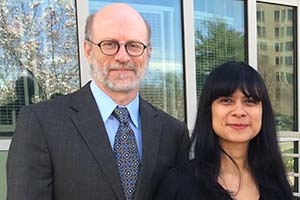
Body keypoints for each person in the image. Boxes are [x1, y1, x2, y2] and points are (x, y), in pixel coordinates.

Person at [6, 3, 191, 200]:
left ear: (148, 53)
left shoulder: (174, 133)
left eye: (134, 45)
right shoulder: (41, 123)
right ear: (88, 50)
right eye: (109, 44)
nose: (122, 56)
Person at [155, 61, 293, 199]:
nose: (239, 112)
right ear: (209, 110)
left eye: (250, 101)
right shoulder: (179, 186)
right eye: (227, 100)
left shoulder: (276, 184)